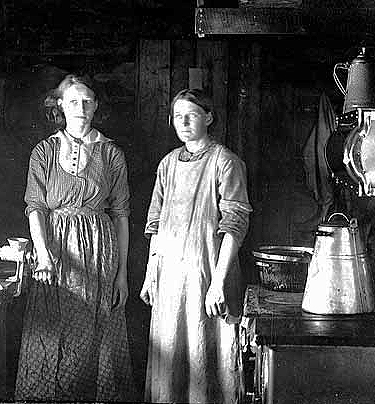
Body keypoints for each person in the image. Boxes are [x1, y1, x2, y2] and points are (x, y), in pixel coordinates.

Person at [16, 74, 135, 401]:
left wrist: (122, 275)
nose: (80, 108)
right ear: (60, 106)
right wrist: (43, 254)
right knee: (54, 333)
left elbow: (121, 215)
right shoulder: (44, 151)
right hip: (54, 255)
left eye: (86, 101)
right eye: (72, 101)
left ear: (96, 106)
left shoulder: (112, 154)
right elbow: (35, 207)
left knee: (95, 338)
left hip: (99, 253)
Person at [140, 88, 252, 403]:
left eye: (192, 114)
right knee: (171, 362)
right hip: (171, 280)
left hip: (208, 277)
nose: (184, 121)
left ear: (209, 117)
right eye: (178, 116)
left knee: (207, 357)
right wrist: (151, 272)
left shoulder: (225, 162)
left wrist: (217, 284)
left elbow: (236, 224)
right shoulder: (167, 164)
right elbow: (156, 223)